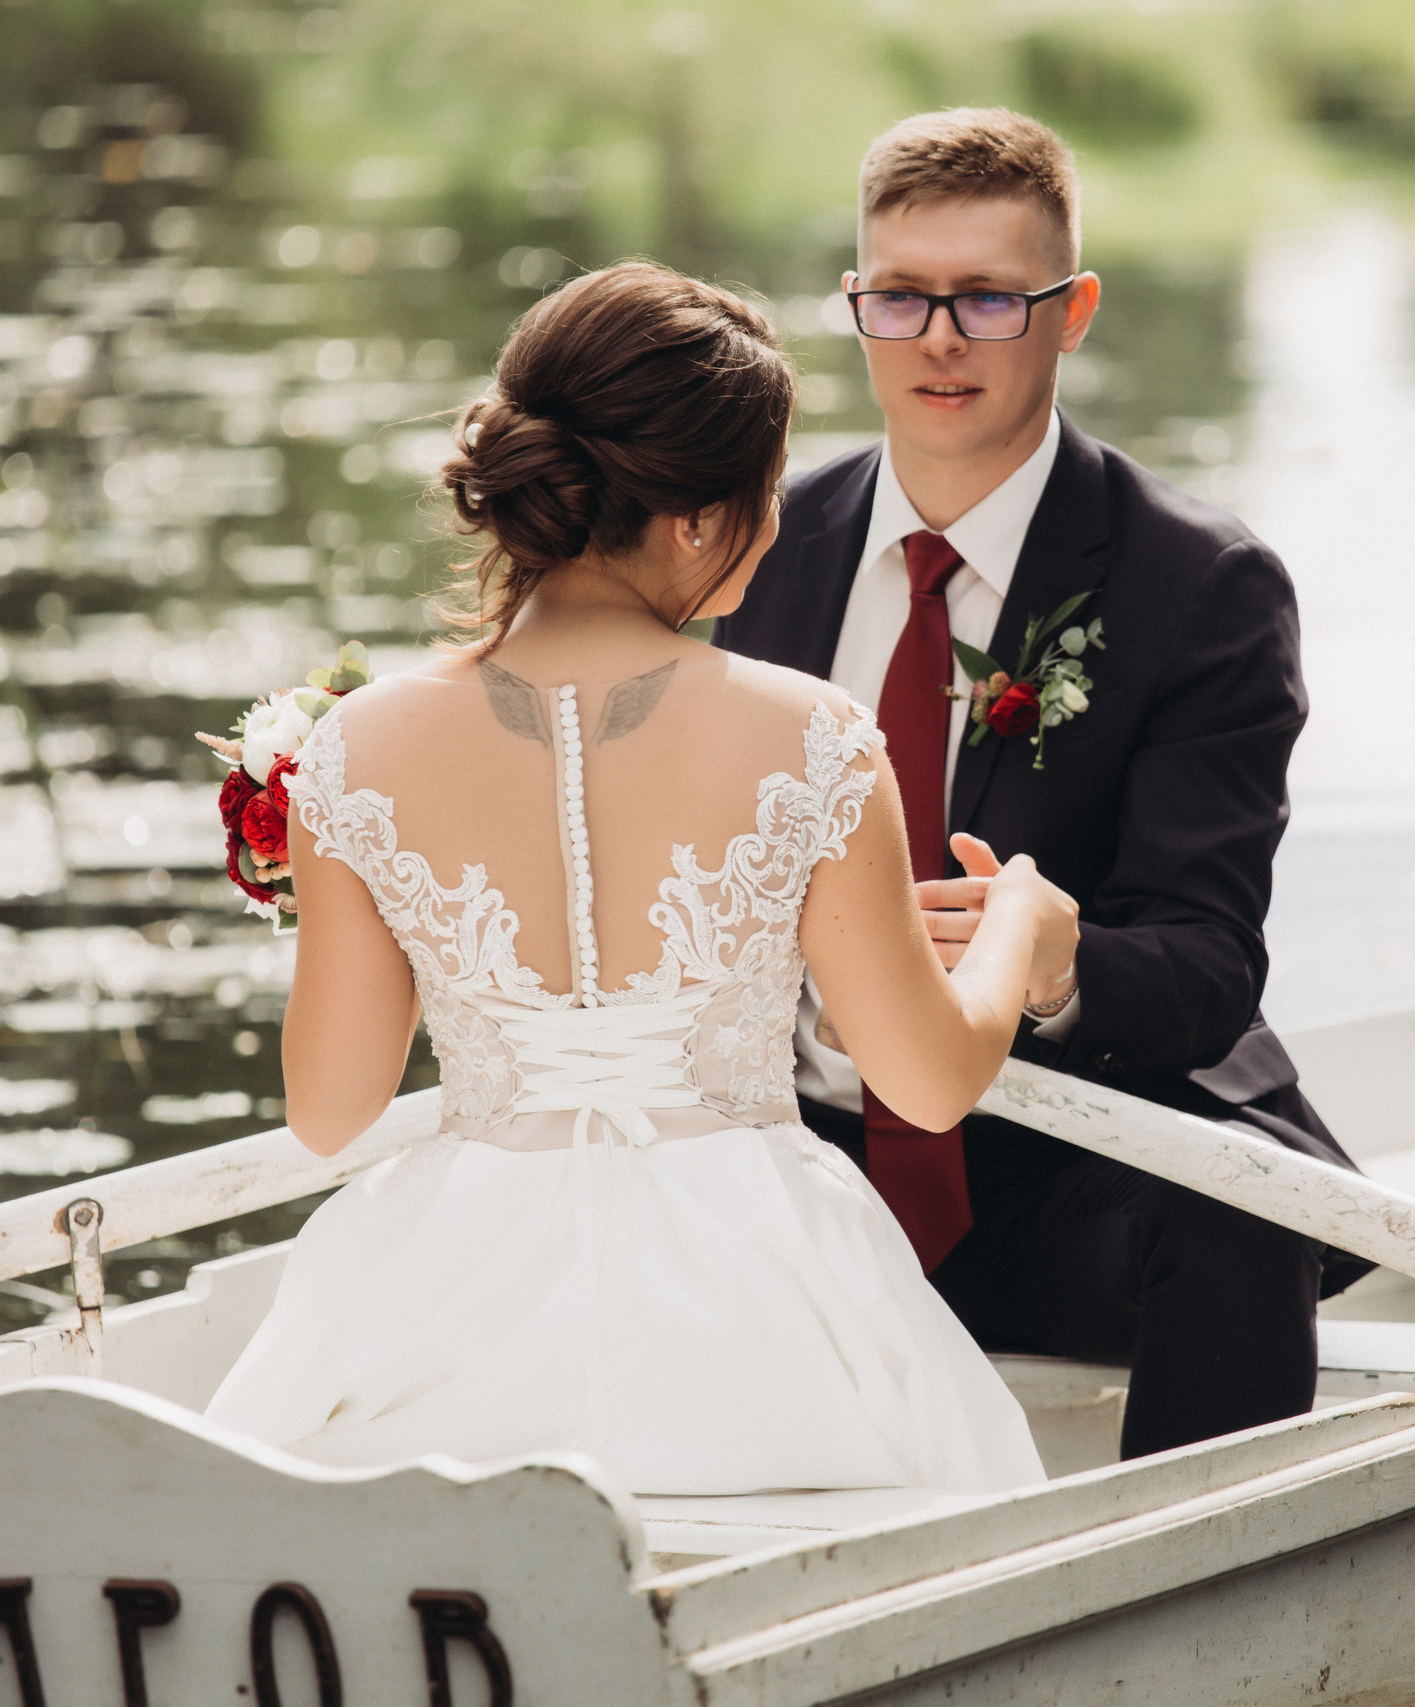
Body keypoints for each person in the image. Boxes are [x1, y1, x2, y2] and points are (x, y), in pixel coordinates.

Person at [203, 261, 1070, 1496]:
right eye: (766, 496)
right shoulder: (813, 738)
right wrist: (1019, 924)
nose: (776, 528)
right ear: (701, 519)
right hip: (758, 1304)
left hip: (449, 1300)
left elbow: (329, 1112)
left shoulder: (356, 748)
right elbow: (928, 1083)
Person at [713, 108, 1371, 1461]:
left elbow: (1205, 966)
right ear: (858, 304)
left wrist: (1062, 962)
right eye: (900, 296)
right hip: (800, 1168)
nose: (939, 338)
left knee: (1239, 1218)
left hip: (1057, 1166)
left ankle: (1197, 1600)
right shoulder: (763, 548)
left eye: (988, 298)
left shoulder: (1200, 588)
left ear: (1070, 312)